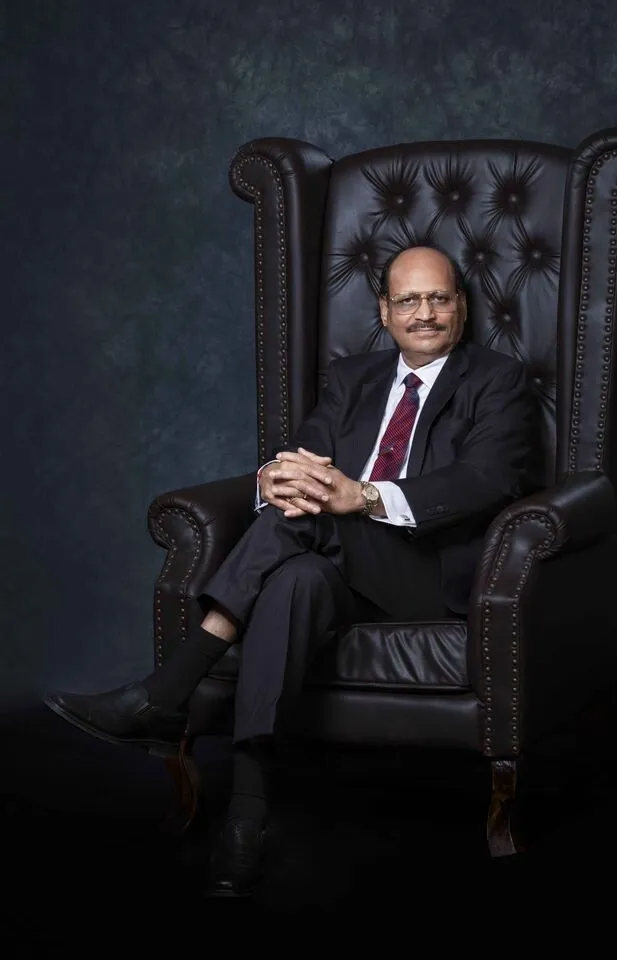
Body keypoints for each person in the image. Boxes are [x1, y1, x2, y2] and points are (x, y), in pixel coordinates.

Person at [44, 244, 533, 897]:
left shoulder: (498, 379)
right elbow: (303, 461)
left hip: (425, 570)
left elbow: (486, 479)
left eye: (438, 298)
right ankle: (246, 817)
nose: (424, 314)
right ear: (384, 312)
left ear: (461, 307)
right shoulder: (353, 378)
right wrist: (273, 479)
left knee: (299, 523)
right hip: (335, 565)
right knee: (290, 581)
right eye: (408, 300)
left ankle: (167, 691)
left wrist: (362, 496)